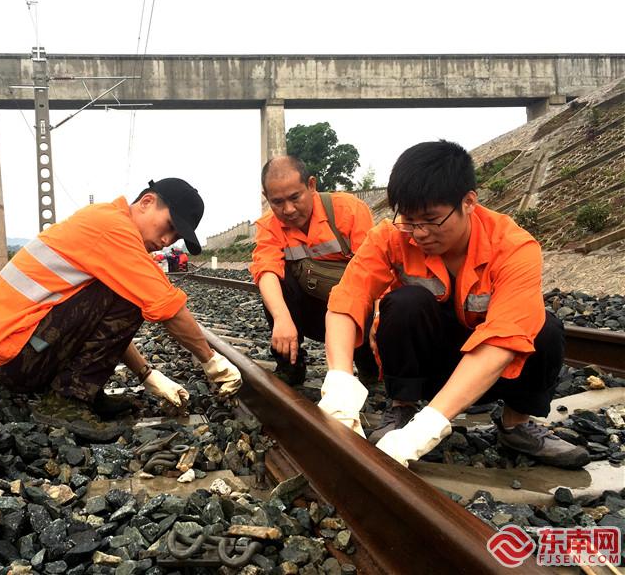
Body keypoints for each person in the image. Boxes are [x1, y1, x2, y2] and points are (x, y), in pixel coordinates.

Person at [323, 140, 589, 469]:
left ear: (468, 202)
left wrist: (430, 426)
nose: (418, 233)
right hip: (430, 367)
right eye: (408, 218)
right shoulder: (392, 236)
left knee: (543, 326)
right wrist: (338, 377)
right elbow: (348, 297)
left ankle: (516, 424)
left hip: (492, 374)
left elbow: (503, 338)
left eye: (430, 219)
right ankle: (402, 408)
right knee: (405, 302)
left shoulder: (513, 247)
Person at [0, 178, 242, 417]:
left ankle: (82, 393)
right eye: (170, 227)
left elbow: (95, 324)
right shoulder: (112, 229)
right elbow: (168, 308)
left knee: (129, 292)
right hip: (17, 360)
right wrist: (212, 362)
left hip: (22, 356)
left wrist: (146, 374)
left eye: (175, 237)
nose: (166, 240)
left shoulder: (108, 223)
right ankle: (68, 401)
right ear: (147, 202)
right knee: (135, 295)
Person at [250, 155, 375, 386]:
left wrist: (377, 320)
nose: (288, 209)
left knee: (375, 313)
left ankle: (369, 363)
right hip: (314, 315)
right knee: (276, 280)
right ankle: (290, 365)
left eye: (295, 197)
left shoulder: (348, 210)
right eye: (277, 202)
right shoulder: (269, 226)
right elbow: (265, 270)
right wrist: (281, 318)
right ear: (266, 198)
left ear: (311, 185)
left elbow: (374, 271)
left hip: (356, 312)